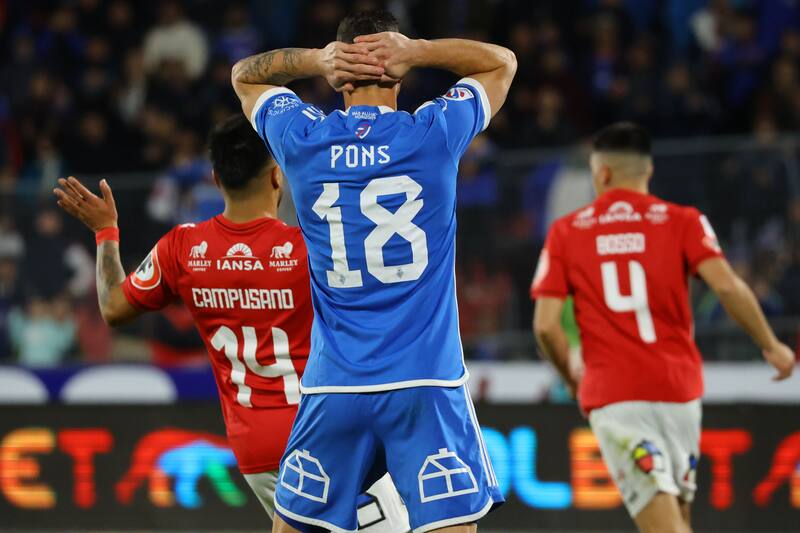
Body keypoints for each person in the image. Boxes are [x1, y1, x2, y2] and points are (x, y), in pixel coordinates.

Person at [231, 9, 516, 533]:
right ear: (399, 73)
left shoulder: (302, 137)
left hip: (334, 385)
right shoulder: (433, 132)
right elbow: (502, 64)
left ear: (339, 78)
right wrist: (421, 50)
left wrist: (315, 61)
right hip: (426, 382)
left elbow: (245, 75)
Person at [53, 114, 409, 532]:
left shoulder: (183, 249)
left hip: (256, 451)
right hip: (323, 438)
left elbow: (113, 307)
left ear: (216, 180)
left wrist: (105, 233)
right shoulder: (310, 249)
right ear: (278, 177)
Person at [531, 122, 796, 533]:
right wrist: (771, 344)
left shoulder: (567, 232)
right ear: (647, 172)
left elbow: (546, 327)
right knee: (678, 518)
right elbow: (727, 285)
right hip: (679, 390)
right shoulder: (683, 221)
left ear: (601, 174)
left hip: (616, 397)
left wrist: (573, 379)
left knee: (665, 527)